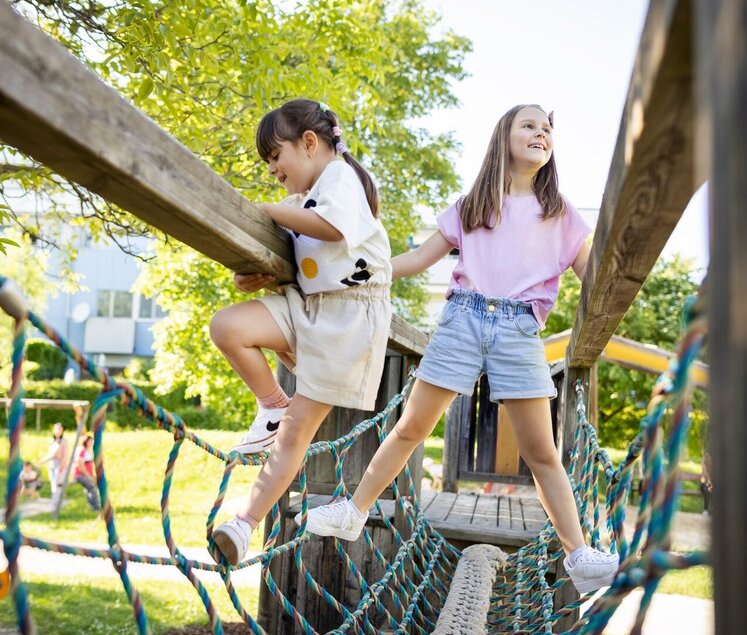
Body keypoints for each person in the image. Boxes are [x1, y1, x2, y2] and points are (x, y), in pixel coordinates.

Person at [300, 105, 620, 594]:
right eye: (529, 125)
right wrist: (356, 270)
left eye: (548, 128)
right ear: (504, 138)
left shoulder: (561, 214)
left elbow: (593, 277)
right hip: (462, 319)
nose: (541, 133)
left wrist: (623, 280)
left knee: (541, 453)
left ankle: (577, 554)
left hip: (519, 330)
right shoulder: (473, 205)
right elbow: (414, 258)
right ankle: (354, 510)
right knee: (411, 427)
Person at [209, 99, 392, 565]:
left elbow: (330, 229)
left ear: (310, 143)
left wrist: (268, 210)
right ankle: (272, 403)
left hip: (349, 320)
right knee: (227, 325)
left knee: (296, 435)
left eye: (275, 156)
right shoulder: (300, 200)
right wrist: (256, 275)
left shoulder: (340, 179)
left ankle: (243, 524)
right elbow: (295, 257)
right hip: (306, 308)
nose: (272, 169)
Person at [38, 422, 69, 498]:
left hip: (60, 464)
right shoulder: (52, 441)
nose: (57, 431)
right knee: (53, 481)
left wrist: (62, 465)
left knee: (58, 482)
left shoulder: (64, 441)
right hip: (52, 464)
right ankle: (55, 498)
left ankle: (57, 499)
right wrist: (41, 462)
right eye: (56, 429)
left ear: (62, 430)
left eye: (59, 429)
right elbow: (50, 454)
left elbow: (65, 455)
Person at [73, 435, 101, 512]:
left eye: (92, 441)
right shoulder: (82, 450)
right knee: (91, 487)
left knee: (89, 488)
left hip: (86, 474)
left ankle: (92, 506)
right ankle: (96, 507)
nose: (91, 443)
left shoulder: (86, 450)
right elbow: (81, 465)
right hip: (80, 475)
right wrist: (89, 476)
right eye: (89, 441)